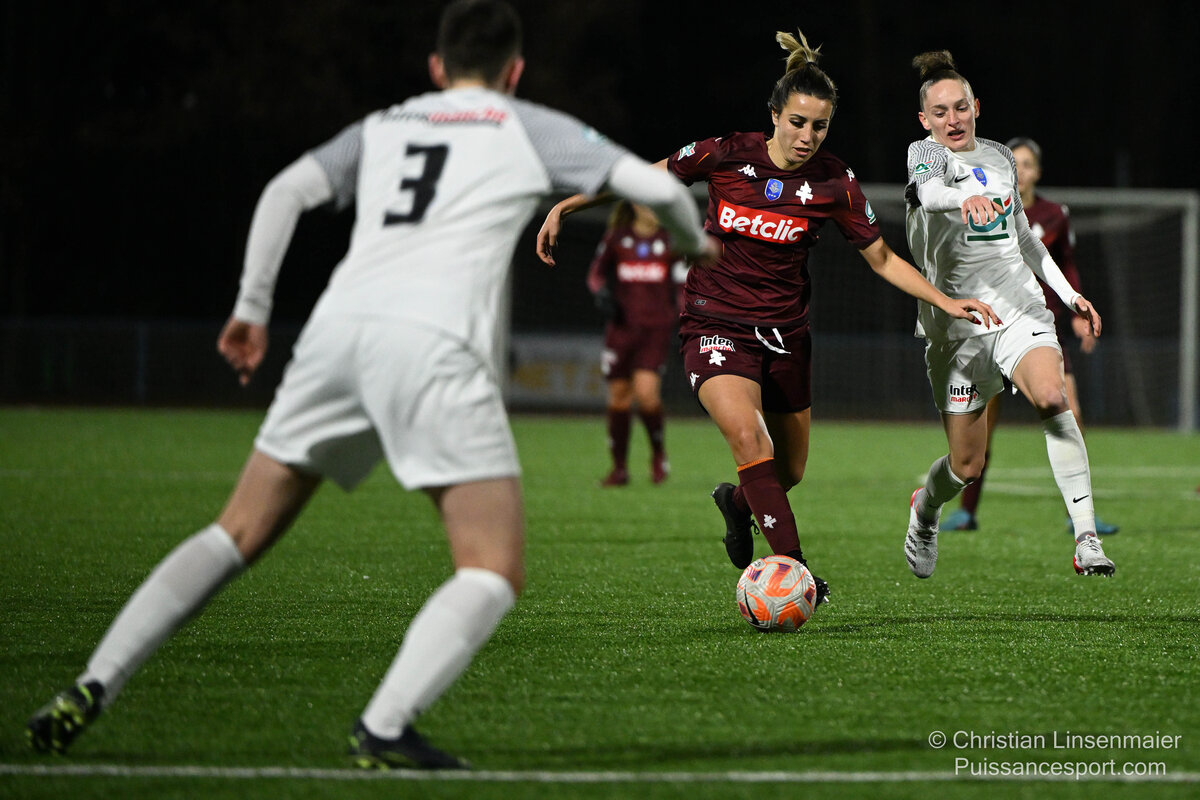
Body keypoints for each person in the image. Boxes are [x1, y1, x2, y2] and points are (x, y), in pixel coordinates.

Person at [25, 0, 713, 770]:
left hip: (336, 332)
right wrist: (693, 244)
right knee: (491, 567)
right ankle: (383, 728)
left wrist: (251, 308)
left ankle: (93, 683)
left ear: (436, 67)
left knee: (236, 532)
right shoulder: (528, 126)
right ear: (515, 72)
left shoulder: (384, 124)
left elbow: (284, 191)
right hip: (433, 345)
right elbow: (660, 192)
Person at [537, 30, 998, 605]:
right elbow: (643, 177)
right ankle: (795, 573)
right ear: (774, 115)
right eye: (797, 122)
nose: (807, 136)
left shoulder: (834, 181)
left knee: (790, 469)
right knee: (748, 437)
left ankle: (736, 504)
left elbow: (881, 258)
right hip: (715, 323)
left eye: (820, 126)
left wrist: (946, 301)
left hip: (786, 336)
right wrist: (569, 204)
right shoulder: (725, 154)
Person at [901, 50, 1116, 579]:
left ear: (976, 106)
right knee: (965, 465)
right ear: (925, 119)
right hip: (956, 324)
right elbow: (929, 193)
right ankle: (925, 509)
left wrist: (1070, 296)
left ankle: (1086, 537)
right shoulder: (924, 154)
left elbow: (1025, 240)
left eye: (961, 108)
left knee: (1052, 396)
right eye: (940, 112)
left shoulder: (1000, 155)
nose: (953, 119)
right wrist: (963, 198)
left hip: (1018, 307)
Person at [941, 137, 1119, 535]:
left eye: (1026, 164)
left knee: (1069, 413)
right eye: (1013, 163)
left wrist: (1076, 310)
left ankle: (1079, 516)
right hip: (991, 328)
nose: (1019, 171)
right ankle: (967, 511)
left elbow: (1064, 264)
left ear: (1037, 171)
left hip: (1041, 329)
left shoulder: (1055, 215)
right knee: (983, 425)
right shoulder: (981, 206)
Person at [586, 201, 686, 486]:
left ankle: (658, 455)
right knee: (618, 396)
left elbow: (682, 285)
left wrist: (685, 317)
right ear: (634, 204)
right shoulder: (617, 237)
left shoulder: (672, 241)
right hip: (621, 329)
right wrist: (601, 293)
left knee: (646, 394)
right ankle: (619, 469)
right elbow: (595, 273)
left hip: (656, 329)